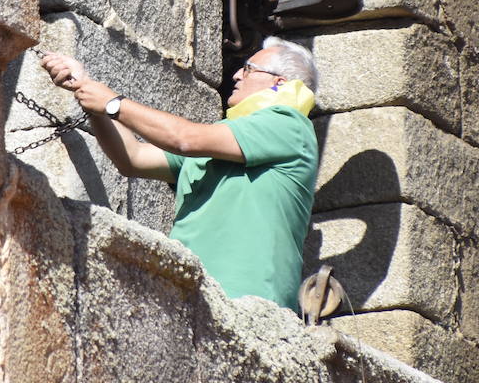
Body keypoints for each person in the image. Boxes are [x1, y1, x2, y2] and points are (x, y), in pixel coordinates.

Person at [39, 37, 319, 309]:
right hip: (192, 299)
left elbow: (184, 138)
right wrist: (87, 91)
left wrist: (113, 103)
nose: (236, 75)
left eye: (248, 68)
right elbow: (133, 158)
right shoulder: (222, 143)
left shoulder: (289, 125)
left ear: (279, 83)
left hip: (249, 302)